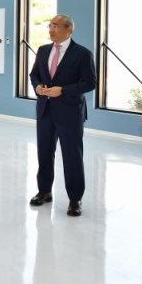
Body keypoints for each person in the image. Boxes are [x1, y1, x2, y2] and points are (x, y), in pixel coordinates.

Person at [29, 14, 96, 217]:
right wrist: (38, 87)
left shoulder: (82, 54)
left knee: (72, 155)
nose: (51, 29)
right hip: (45, 110)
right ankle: (44, 191)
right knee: (44, 152)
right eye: (50, 26)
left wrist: (63, 90)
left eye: (56, 26)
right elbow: (34, 74)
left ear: (69, 29)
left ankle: (75, 199)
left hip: (70, 112)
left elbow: (89, 83)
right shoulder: (43, 50)